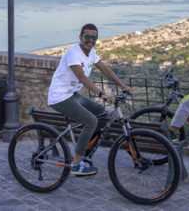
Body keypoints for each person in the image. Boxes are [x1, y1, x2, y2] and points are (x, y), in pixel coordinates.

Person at [48, 23, 133, 176]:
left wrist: (122, 85)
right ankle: (76, 164)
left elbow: (105, 69)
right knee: (91, 121)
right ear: (81, 37)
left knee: (101, 111)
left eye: (94, 38)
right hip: (60, 97)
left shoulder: (91, 52)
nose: (90, 40)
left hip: (72, 94)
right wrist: (101, 94)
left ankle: (85, 149)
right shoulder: (73, 53)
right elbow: (82, 77)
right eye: (87, 37)